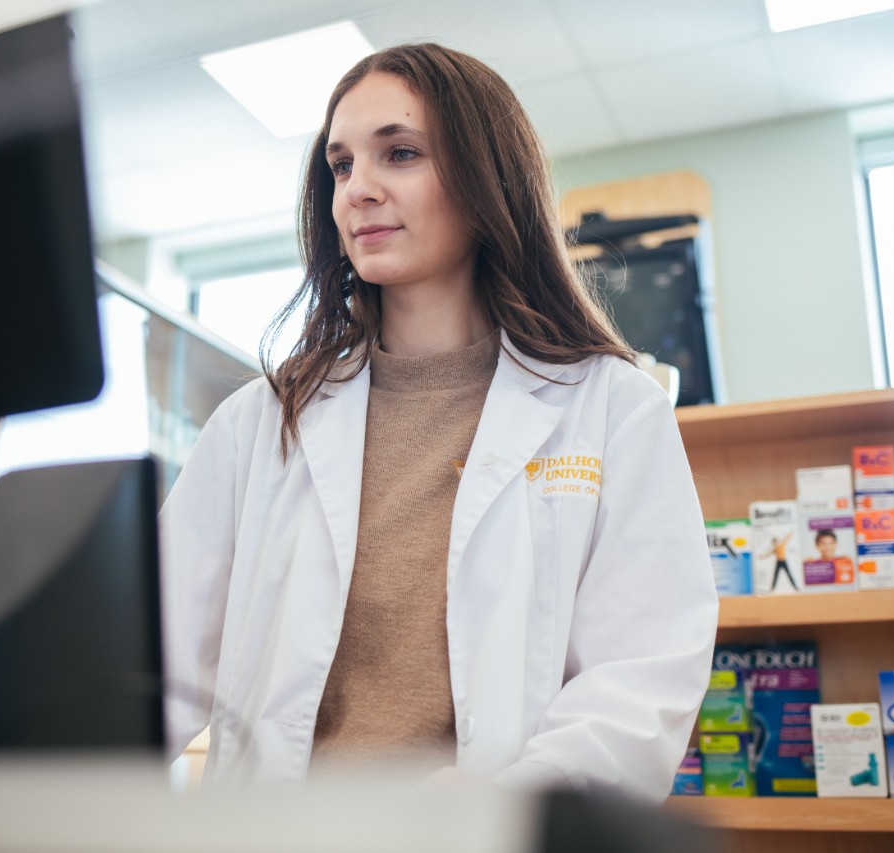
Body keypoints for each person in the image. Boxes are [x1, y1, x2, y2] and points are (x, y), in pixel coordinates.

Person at [159, 42, 718, 801]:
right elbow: (152, 668)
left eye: (400, 153)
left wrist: (493, 809)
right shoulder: (260, 423)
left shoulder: (613, 409)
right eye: (342, 164)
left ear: (485, 177)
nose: (359, 189)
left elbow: (639, 683)